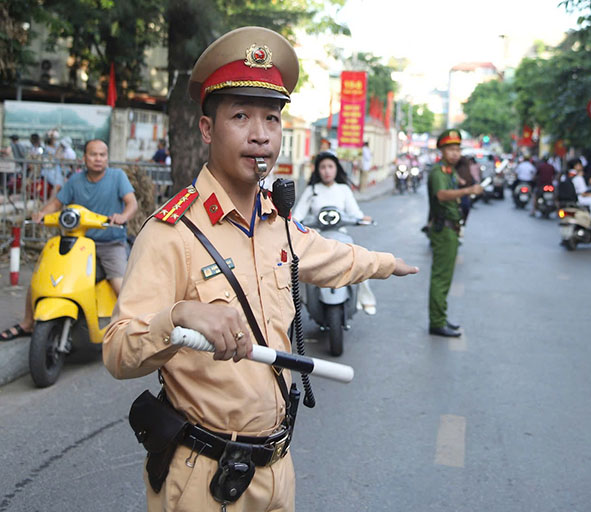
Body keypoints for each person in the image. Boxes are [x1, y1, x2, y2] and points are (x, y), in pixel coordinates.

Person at [102, 26, 418, 511]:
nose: (260, 135)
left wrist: (385, 263)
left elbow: (330, 256)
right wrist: (181, 315)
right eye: (241, 116)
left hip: (276, 466)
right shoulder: (173, 233)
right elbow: (119, 351)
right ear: (207, 129)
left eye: (272, 118)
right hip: (203, 478)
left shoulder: (278, 222)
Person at [0, 139, 138, 341]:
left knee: (119, 283)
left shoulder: (118, 177)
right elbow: (56, 203)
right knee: (42, 278)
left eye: (102, 155)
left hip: (110, 242)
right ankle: (28, 323)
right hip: (79, 242)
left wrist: (123, 216)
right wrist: (40, 214)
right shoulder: (75, 180)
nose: (98, 159)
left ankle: (133, 327)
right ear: (84, 158)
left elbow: (131, 203)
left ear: (107, 157)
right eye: (93, 154)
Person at [293, 150, 377, 314]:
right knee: (300, 265)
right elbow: (298, 215)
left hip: (341, 236)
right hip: (317, 237)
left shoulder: (344, 189)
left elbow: (355, 213)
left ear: (336, 169)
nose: (326, 171)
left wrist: (363, 218)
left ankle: (365, 299)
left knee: (358, 259)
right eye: (322, 167)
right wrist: (292, 223)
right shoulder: (312, 190)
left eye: (330, 166)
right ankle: (301, 299)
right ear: (317, 170)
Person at [427, 129, 482, 337]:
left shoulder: (450, 171)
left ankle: (440, 318)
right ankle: (437, 322)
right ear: (442, 150)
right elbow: (441, 195)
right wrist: (467, 191)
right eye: (450, 149)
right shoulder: (438, 172)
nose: (455, 153)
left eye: (458, 149)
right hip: (444, 229)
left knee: (445, 278)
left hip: (451, 228)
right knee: (441, 278)